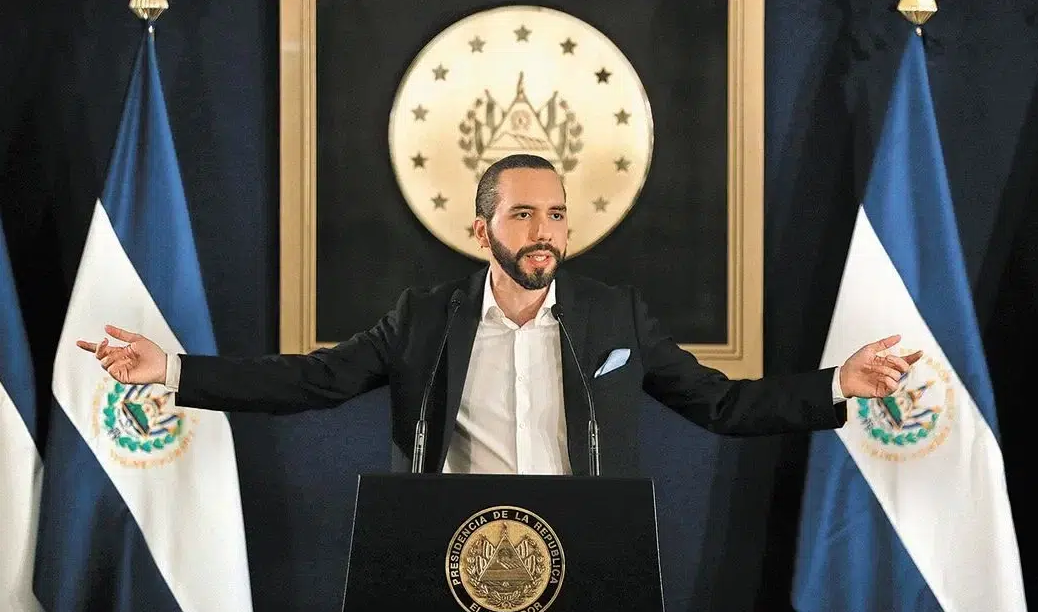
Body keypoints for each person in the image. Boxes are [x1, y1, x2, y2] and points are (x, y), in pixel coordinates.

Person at [78, 154, 921, 476]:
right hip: (450, 554)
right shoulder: (422, 318)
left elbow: (723, 405)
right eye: (522, 214)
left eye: (555, 214)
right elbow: (309, 381)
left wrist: (835, 385)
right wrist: (174, 371)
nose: (543, 230)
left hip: (589, 553)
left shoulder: (616, 317)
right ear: (481, 231)